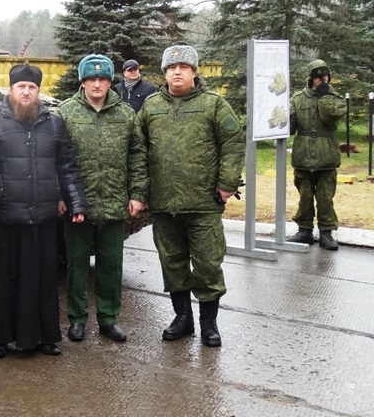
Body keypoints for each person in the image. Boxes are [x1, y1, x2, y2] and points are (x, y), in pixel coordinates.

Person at [0, 64, 87, 359]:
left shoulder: (53, 124)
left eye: (32, 88)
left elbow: (67, 167)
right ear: (11, 89)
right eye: (21, 87)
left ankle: (42, 337)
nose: (26, 92)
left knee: (42, 280)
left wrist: (76, 203)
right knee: (1, 279)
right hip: (5, 215)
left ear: (37, 92)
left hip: (43, 216)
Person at [137, 45, 244, 347]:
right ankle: (182, 318)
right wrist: (142, 191)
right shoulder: (151, 106)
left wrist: (227, 183)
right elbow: (138, 149)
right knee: (172, 263)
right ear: (165, 72)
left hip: (203, 204)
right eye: (172, 68)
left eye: (184, 67)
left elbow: (233, 144)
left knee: (208, 265)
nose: (177, 72)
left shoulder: (214, 104)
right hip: (163, 203)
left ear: (195, 72)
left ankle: (209, 323)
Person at [57, 54, 148, 343]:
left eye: (102, 79)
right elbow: (55, 158)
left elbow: (137, 156)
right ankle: (77, 318)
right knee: (77, 264)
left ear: (111, 81)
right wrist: (60, 196)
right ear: (82, 82)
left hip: (113, 201)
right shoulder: (64, 113)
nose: (97, 84)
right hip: (77, 204)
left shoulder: (125, 115)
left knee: (111, 265)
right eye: (91, 79)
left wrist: (137, 194)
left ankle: (109, 318)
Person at [285, 60, 347, 250]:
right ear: (311, 77)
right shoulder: (298, 98)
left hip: (326, 156)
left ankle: (326, 232)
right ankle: (304, 230)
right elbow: (290, 126)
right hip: (303, 156)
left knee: (325, 197)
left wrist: (324, 95)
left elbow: (330, 115)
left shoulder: (334, 98)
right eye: (319, 76)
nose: (323, 79)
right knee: (304, 196)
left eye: (326, 75)